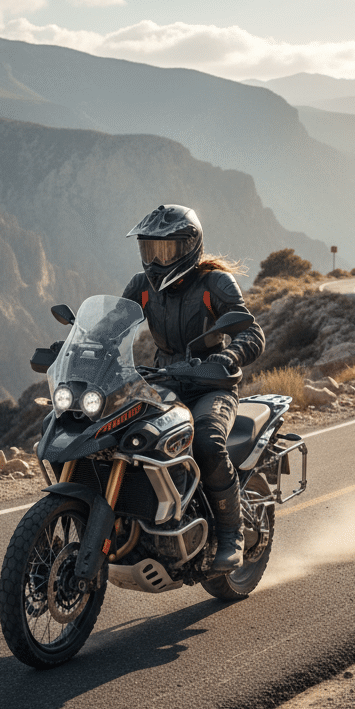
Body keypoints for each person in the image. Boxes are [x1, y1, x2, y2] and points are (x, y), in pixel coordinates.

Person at [122, 204, 265, 571]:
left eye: (165, 250)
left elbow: (251, 331)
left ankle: (231, 533)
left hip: (210, 385)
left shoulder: (214, 284)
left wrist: (229, 355)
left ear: (189, 247)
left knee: (206, 442)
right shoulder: (141, 286)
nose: (155, 260)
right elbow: (114, 324)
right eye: (148, 250)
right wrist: (84, 345)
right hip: (163, 381)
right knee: (123, 439)